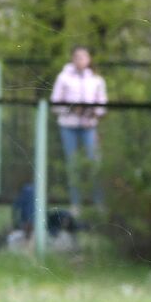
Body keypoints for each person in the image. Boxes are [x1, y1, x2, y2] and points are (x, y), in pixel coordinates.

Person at [49, 46, 108, 212]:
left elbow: (102, 104)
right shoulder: (63, 77)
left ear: (89, 59)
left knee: (94, 163)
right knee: (73, 164)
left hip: (89, 127)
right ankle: (76, 204)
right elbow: (55, 103)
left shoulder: (97, 79)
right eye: (77, 56)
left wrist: (93, 113)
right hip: (69, 126)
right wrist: (72, 109)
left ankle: (98, 204)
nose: (80, 60)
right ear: (72, 59)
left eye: (84, 57)